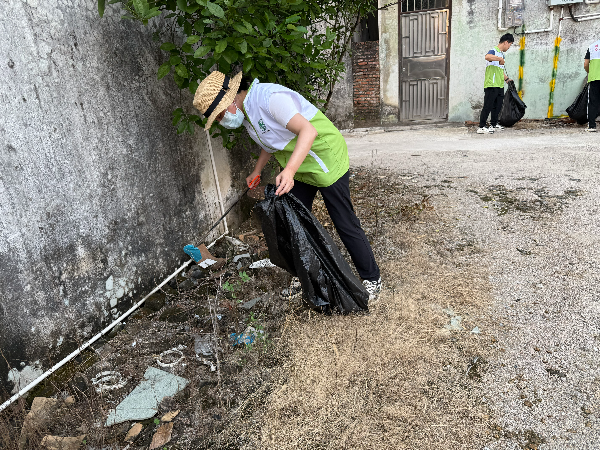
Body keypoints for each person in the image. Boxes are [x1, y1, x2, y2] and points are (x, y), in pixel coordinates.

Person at [192, 71, 382, 300]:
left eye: (220, 115)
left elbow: (308, 131)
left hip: (325, 159)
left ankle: (372, 278)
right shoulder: (247, 114)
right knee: (292, 221)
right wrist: (257, 170)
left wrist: (289, 171)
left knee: (344, 221)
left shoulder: (269, 99)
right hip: (300, 165)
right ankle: (305, 276)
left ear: (230, 99)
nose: (221, 121)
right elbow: (271, 142)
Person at [477, 33, 514, 135]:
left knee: (497, 106)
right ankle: (481, 127)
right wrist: (500, 59)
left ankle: (493, 124)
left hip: (499, 84)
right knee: (488, 106)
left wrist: (507, 79)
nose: (509, 47)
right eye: (510, 44)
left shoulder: (502, 54)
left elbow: (500, 70)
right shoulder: (494, 50)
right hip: (491, 84)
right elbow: (487, 57)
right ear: (506, 42)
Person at [584, 38, 600, 132]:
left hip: (595, 78)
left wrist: (590, 72)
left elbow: (586, 64)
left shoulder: (592, 47)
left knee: (593, 102)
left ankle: (592, 126)